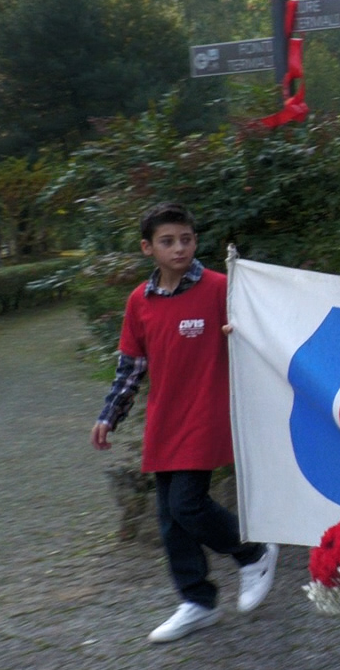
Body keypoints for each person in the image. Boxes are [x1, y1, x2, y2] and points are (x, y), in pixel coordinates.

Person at [91, 202, 278, 643]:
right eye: (168, 241)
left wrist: (241, 335)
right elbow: (131, 367)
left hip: (207, 412)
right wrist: (109, 415)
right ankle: (197, 601)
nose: (179, 248)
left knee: (187, 505)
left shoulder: (220, 288)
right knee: (170, 518)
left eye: (187, 239)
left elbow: (260, 335)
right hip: (165, 417)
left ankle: (253, 553)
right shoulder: (140, 301)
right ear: (148, 248)